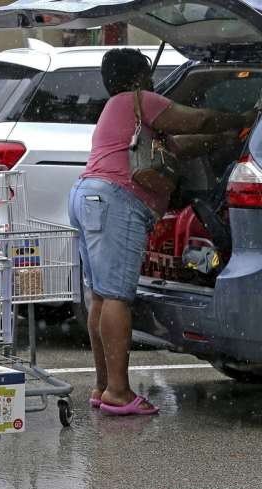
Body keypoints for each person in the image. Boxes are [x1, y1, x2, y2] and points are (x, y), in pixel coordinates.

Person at [68, 48, 255, 416]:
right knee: (116, 296)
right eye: (148, 74)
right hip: (114, 200)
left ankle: (104, 385)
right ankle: (119, 393)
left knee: (102, 297)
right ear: (139, 77)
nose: (153, 81)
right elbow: (196, 121)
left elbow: (180, 147)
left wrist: (229, 138)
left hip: (89, 196)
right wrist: (244, 116)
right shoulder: (136, 101)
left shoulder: (121, 112)